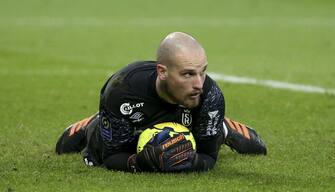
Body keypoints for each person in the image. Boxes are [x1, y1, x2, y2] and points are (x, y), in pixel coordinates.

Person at [56, 32, 267, 173]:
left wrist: (190, 161)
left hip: (190, 124)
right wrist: (138, 162)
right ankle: (98, 121)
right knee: (66, 147)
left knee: (257, 149)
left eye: (203, 72)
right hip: (130, 129)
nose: (199, 84)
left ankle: (220, 126)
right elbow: (110, 157)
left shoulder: (209, 96)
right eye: (188, 74)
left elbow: (209, 159)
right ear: (162, 72)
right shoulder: (123, 92)